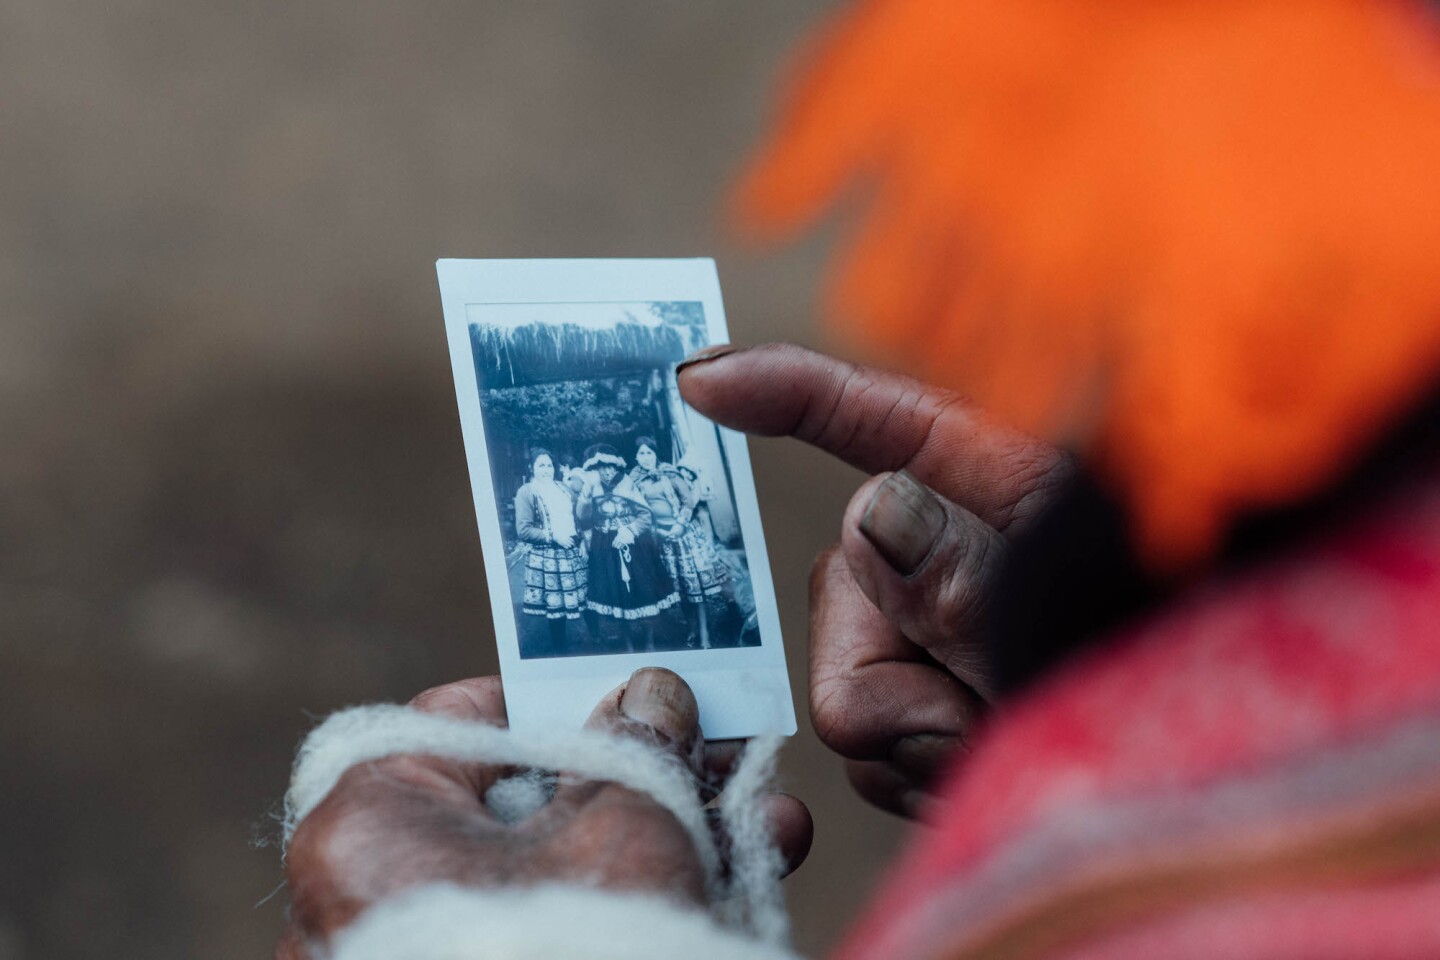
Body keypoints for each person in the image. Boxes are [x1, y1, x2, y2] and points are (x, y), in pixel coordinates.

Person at [627, 436, 734, 648]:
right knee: (681, 589)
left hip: (684, 534)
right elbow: (636, 509)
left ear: (656, 454)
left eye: (649, 452)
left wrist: (679, 525)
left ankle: (705, 636)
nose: (645, 457)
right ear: (636, 456)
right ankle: (692, 628)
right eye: (641, 453)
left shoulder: (670, 473)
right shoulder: (634, 479)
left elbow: (688, 501)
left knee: (695, 585)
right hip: (662, 539)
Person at [575, 443, 682, 654]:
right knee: (616, 594)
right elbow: (584, 518)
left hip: (635, 545)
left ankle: (650, 641)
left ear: (617, 467)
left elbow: (645, 515)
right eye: (600, 467)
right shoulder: (591, 488)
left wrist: (630, 530)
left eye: (610, 466)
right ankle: (628, 644)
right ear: (593, 469)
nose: (606, 471)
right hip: (605, 545)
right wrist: (586, 496)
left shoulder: (627, 483)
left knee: (644, 591)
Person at [512, 448, 587, 656]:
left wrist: (581, 540)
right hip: (548, 554)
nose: (546, 470)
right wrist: (553, 536)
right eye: (541, 465)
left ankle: (586, 642)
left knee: (573, 601)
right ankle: (560, 652)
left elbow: (575, 517)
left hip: (570, 550)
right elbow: (524, 530)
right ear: (532, 468)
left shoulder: (564, 488)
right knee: (555, 606)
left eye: (549, 465)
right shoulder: (527, 491)